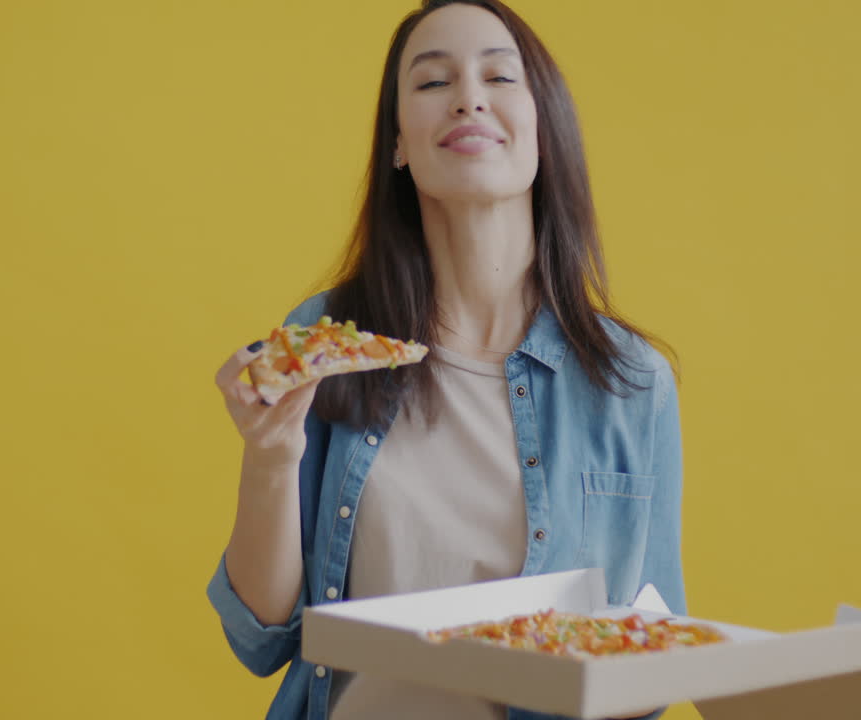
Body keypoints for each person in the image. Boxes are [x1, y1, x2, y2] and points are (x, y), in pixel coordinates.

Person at [209, 1, 684, 718]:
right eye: (433, 82)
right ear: (399, 142)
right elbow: (260, 637)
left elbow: (654, 659)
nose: (468, 97)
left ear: (544, 128)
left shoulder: (631, 381)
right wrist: (270, 459)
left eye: (499, 77)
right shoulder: (328, 340)